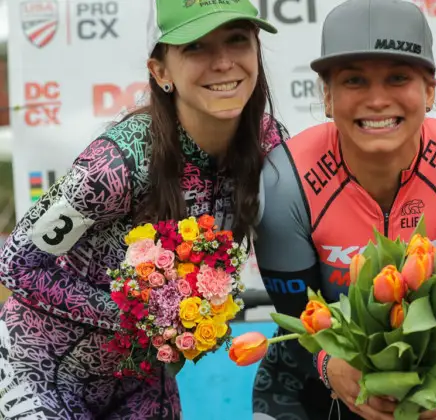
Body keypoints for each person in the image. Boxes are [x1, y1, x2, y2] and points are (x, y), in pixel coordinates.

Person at [0, 0, 286, 418]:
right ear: (161, 71)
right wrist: (139, 316)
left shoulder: (272, 146)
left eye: (237, 40)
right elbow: (16, 264)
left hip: (143, 384)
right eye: (196, 47)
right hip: (42, 373)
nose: (223, 62)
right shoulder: (116, 164)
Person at [251, 0, 436, 419]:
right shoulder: (285, 178)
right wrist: (331, 366)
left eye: (398, 77)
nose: (378, 100)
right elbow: (295, 321)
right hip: (309, 379)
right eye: (354, 81)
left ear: (430, 89)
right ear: (327, 96)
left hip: (426, 380)